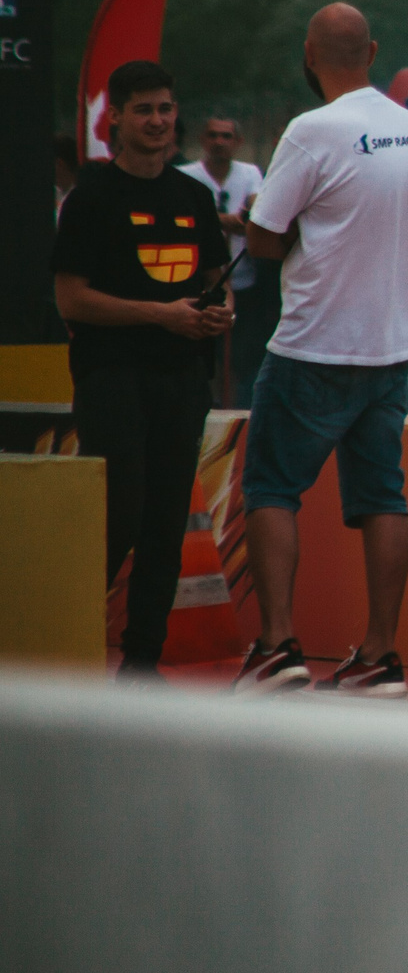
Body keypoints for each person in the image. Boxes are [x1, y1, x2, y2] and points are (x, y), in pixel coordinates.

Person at [234, 4, 408, 696]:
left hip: (314, 343)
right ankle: (381, 654)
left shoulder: (311, 130)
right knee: (383, 496)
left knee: (269, 486)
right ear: (372, 50)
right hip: (389, 348)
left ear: (309, 54)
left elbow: (263, 237)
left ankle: (277, 646)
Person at [50, 60, 234, 680]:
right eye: (143, 110)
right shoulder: (91, 197)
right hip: (111, 379)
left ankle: (141, 663)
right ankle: (66, 646)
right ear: (116, 121)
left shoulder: (194, 197)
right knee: (118, 514)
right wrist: (161, 316)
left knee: (163, 524)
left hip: (182, 383)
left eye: (165, 108)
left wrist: (218, 315)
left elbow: (215, 286)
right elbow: (71, 299)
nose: (157, 121)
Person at [179, 116, 265, 404]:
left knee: (242, 358)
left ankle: (237, 408)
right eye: (213, 136)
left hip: (244, 283)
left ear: (237, 142)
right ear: (203, 140)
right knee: (206, 357)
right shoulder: (186, 175)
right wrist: (226, 220)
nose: (219, 142)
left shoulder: (250, 172)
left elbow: (255, 211)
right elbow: (184, 217)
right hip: (200, 283)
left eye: (226, 136)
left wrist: (226, 220)